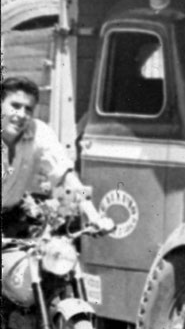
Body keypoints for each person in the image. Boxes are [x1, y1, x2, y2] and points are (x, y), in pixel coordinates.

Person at [2, 76, 111, 235]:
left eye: (28, 109)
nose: (21, 115)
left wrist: (93, 215)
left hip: (10, 220)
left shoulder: (39, 132)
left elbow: (67, 177)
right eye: (15, 106)